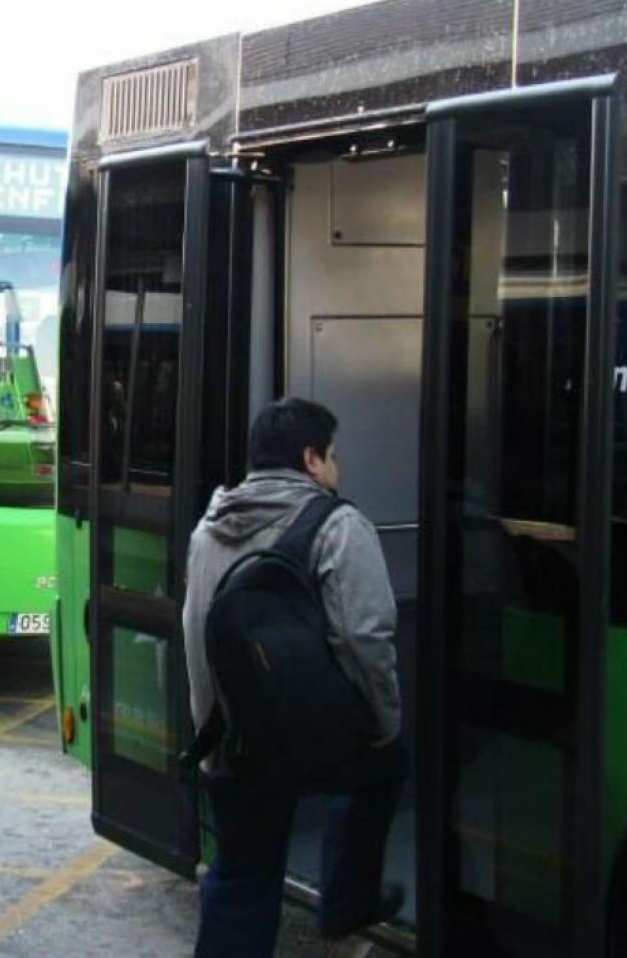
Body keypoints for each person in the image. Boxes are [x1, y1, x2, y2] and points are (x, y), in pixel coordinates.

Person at [182, 396, 406, 958]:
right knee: (385, 767)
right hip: (314, 741)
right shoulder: (338, 525)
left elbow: (196, 636)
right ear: (311, 459)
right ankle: (347, 903)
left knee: (241, 874)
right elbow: (364, 639)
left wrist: (212, 743)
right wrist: (382, 724)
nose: (337, 467)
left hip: (235, 743)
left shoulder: (208, 528)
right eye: (332, 455)